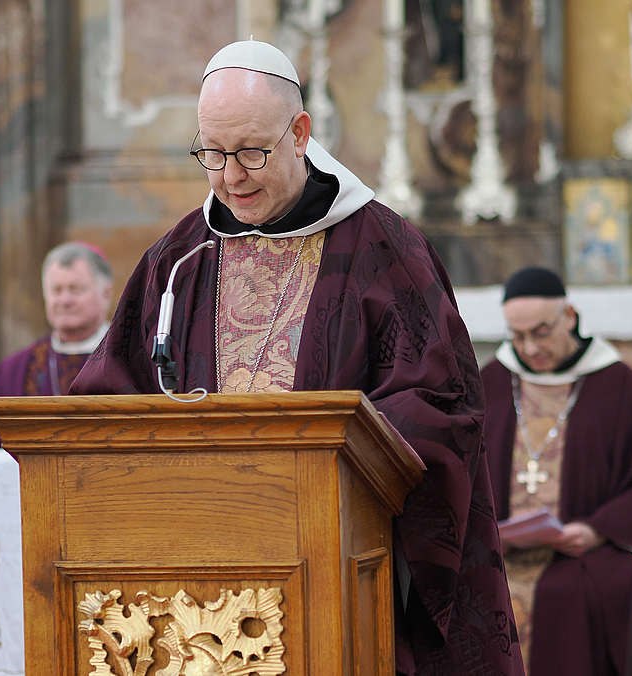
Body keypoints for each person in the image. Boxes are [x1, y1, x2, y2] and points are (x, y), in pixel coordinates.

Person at [71, 39, 524, 675]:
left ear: (299, 133)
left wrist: (328, 451)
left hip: (333, 562)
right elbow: (110, 392)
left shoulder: (383, 249)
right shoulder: (179, 259)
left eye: (251, 152)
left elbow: (441, 405)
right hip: (194, 582)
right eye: (212, 154)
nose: (230, 176)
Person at [481, 266, 632, 676]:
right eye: (517, 336)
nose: (530, 348)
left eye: (541, 332)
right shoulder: (494, 381)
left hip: (583, 550)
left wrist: (597, 528)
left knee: (579, 591)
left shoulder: (616, 383)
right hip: (502, 550)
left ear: (568, 316)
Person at [0, 241, 113, 448]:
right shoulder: (15, 369)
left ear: (106, 294)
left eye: (75, 289)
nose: (64, 300)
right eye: (56, 290)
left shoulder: (128, 358)